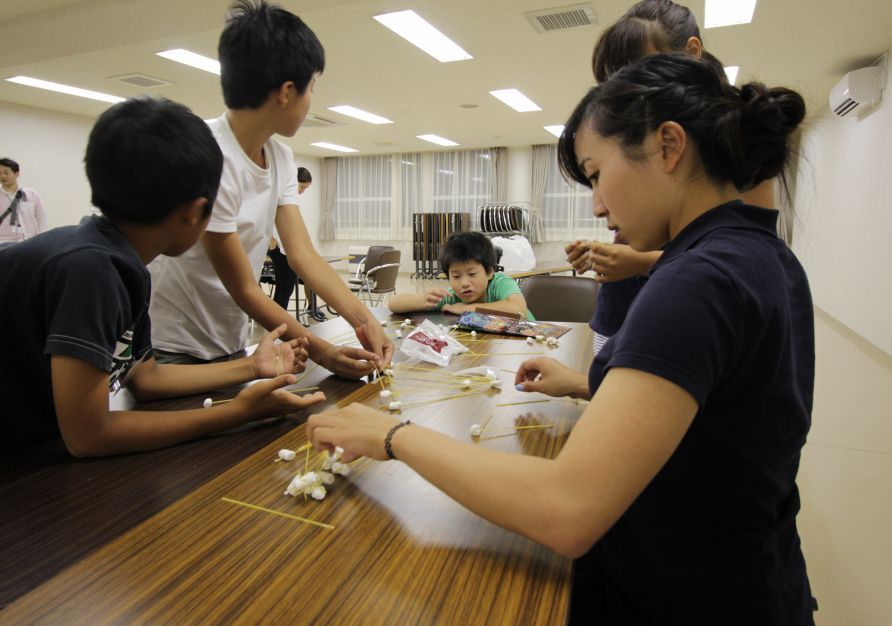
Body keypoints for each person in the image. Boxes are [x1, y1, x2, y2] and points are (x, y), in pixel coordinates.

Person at [308, 54, 815, 625]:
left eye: (597, 174)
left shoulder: (696, 279)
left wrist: (393, 435)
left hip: (686, 594)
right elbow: (718, 410)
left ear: (670, 147)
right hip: (751, 576)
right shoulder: (760, 252)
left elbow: (566, 511)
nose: (597, 205)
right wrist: (586, 382)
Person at [0, 96, 325, 462]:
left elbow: (145, 380)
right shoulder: (91, 270)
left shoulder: (125, 265)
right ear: (196, 212)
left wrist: (249, 366)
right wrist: (239, 412)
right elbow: (88, 436)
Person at [148, 1, 391, 376]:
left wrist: (364, 321)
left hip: (229, 340)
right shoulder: (209, 155)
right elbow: (244, 287)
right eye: (311, 88)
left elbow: (303, 255)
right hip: (175, 347)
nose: (311, 101)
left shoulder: (279, 156)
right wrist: (322, 352)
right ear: (286, 92)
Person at [565, 0, 775, 354]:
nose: (623, 101)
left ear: (692, 53)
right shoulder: (638, 146)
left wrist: (638, 262)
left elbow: (745, 256)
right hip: (624, 308)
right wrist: (605, 253)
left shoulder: (734, 143)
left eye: (640, 75)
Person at [387, 231, 534, 321]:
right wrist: (423, 299)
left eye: (472, 274)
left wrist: (466, 308)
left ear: (489, 272)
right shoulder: (454, 297)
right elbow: (394, 303)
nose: (464, 283)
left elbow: (518, 310)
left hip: (533, 342)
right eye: (456, 276)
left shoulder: (500, 283)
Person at [268, 166, 326, 321]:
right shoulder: (277, 196)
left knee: (292, 285)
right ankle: (278, 320)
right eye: (301, 187)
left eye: (306, 188)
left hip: (287, 249)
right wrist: (272, 244)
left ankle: (310, 310)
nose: (302, 191)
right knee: (285, 287)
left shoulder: (290, 199)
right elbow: (267, 220)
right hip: (279, 250)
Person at [0, 157, 48, 255]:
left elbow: (41, 219)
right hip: (4, 247)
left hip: (30, 245)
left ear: (17, 174)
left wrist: (42, 243)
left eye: (6, 172)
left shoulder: (32, 194)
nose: (2, 176)